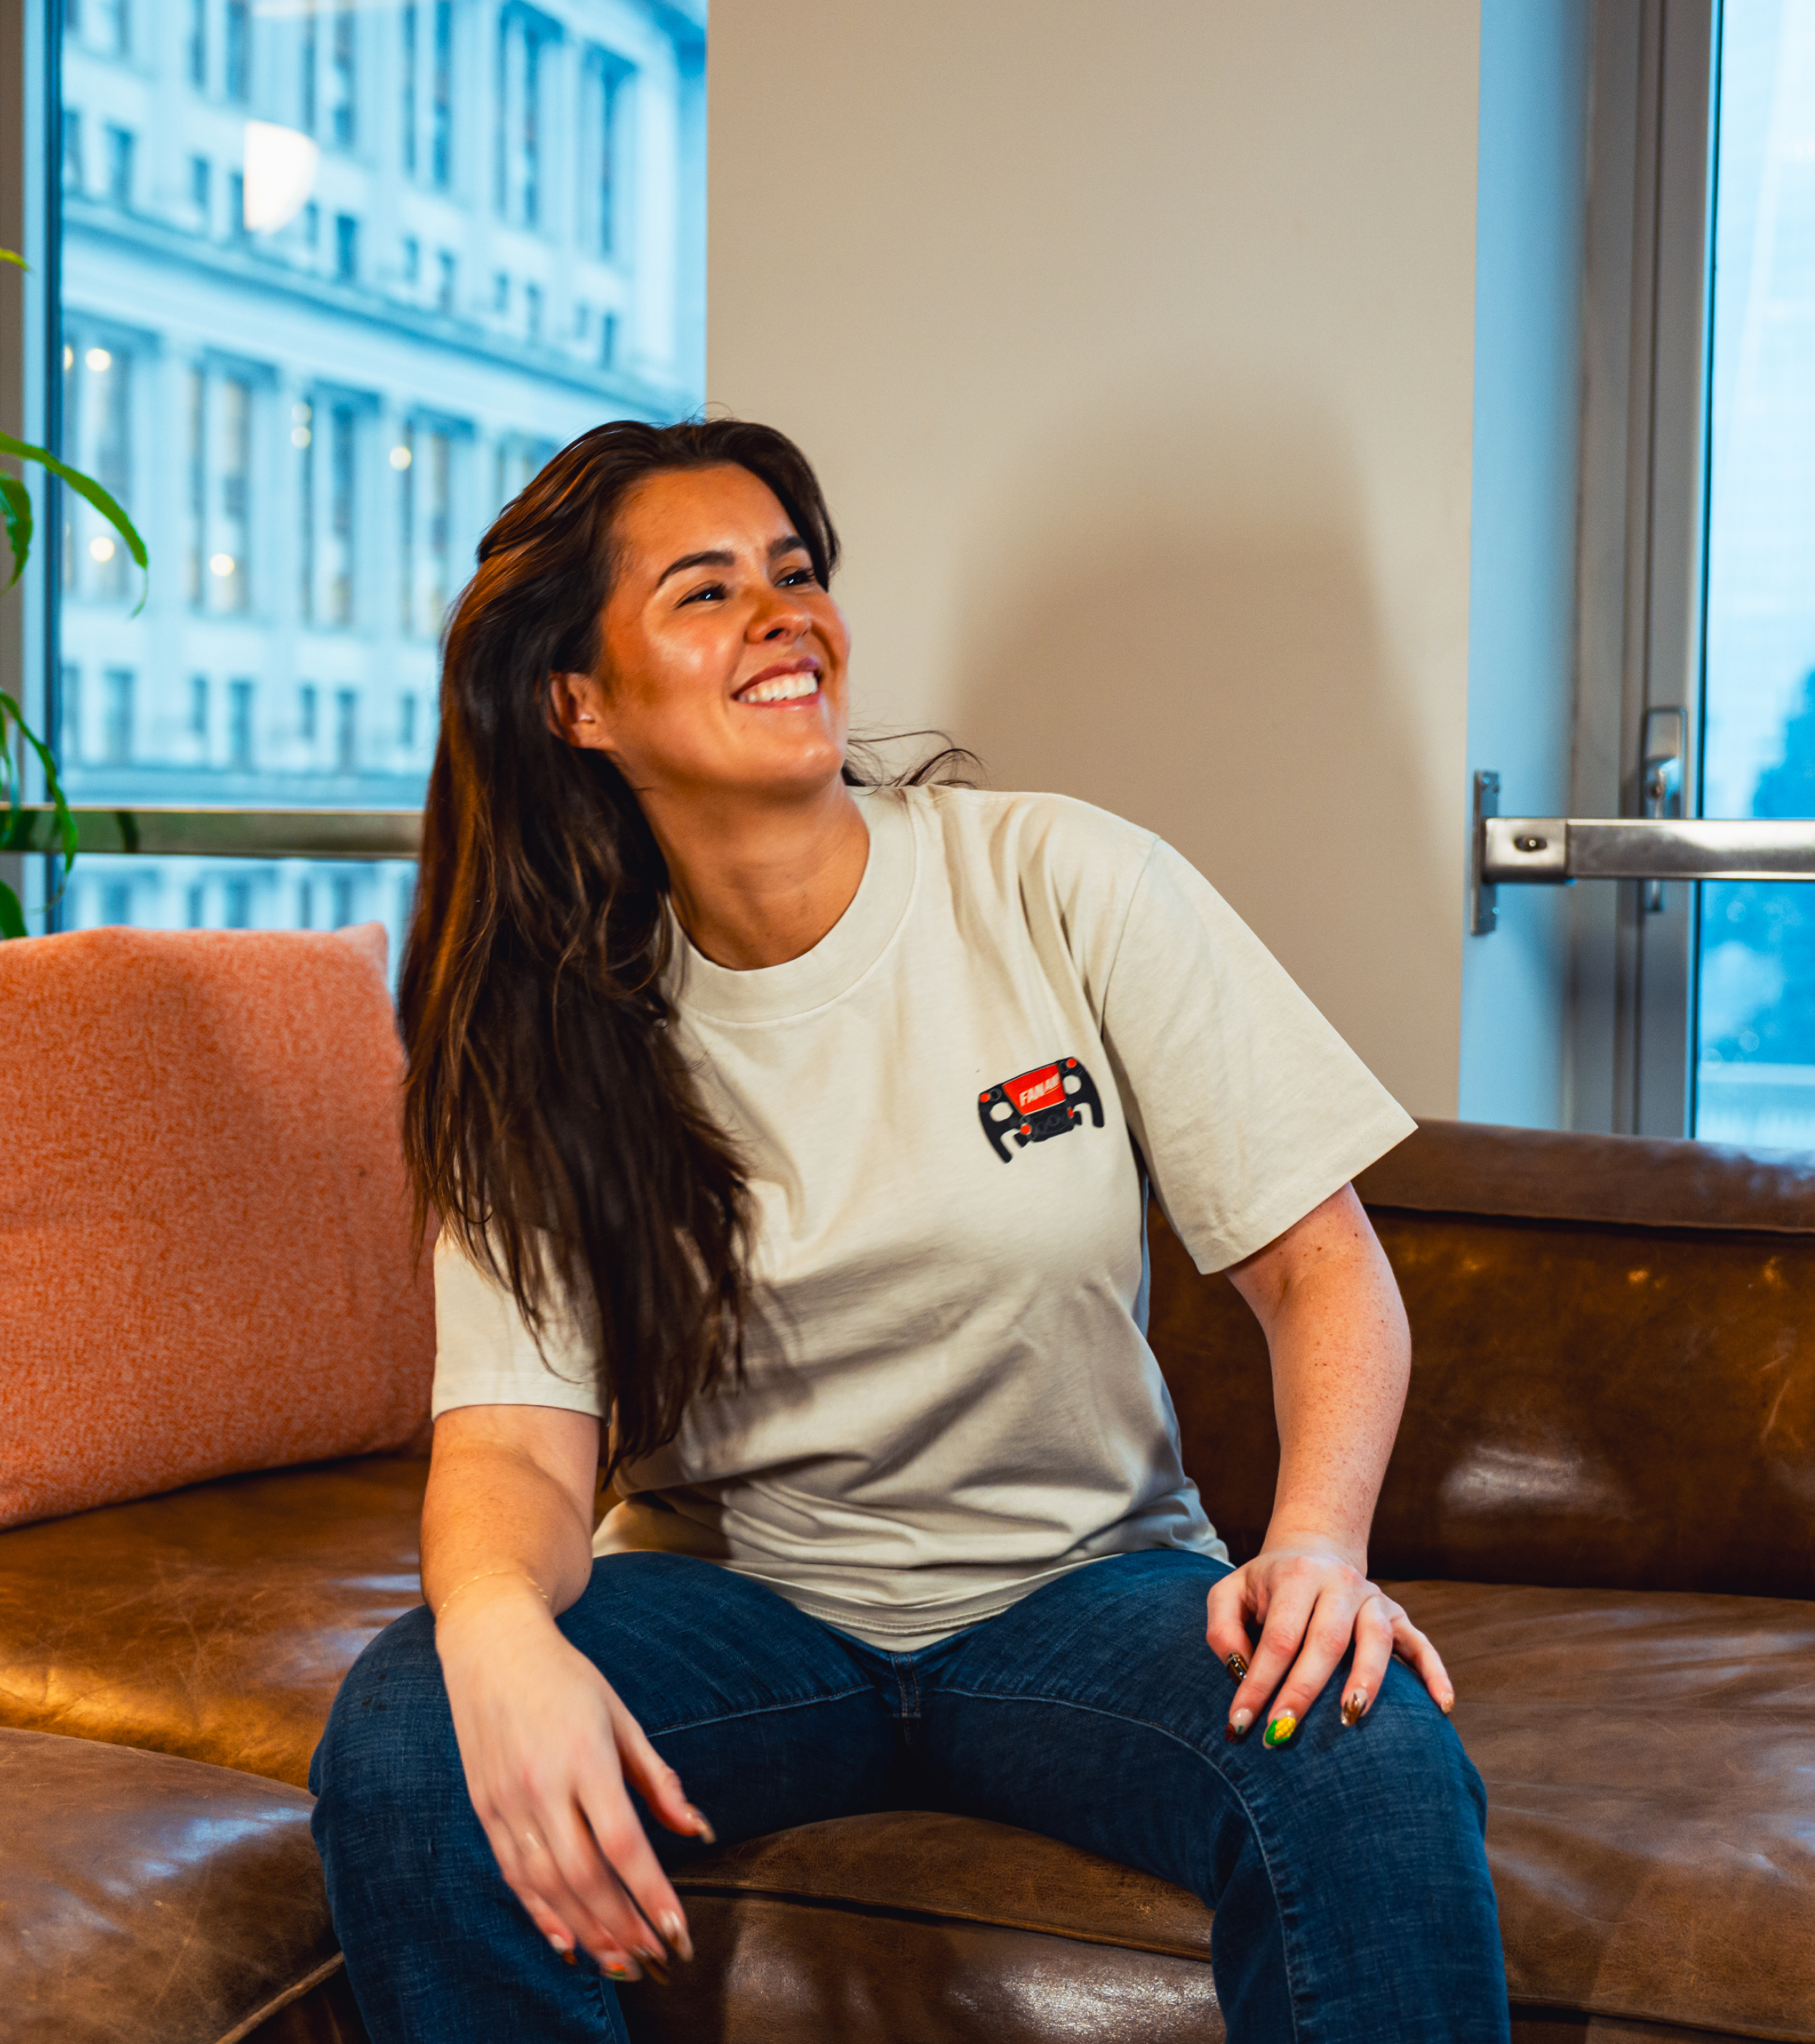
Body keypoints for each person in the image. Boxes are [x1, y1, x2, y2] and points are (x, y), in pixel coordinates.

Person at [310, 418, 1507, 2043]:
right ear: (577, 703)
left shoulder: (1059, 880)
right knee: (411, 1727)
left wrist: (1315, 1548)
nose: (782, 615)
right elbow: (517, 1453)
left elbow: (1322, 1275)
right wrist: (500, 1631)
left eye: (794, 574)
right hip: (745, 1617)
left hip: (1085, 1599)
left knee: (1368, 1751)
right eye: (706, 591)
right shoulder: (548, 1032)